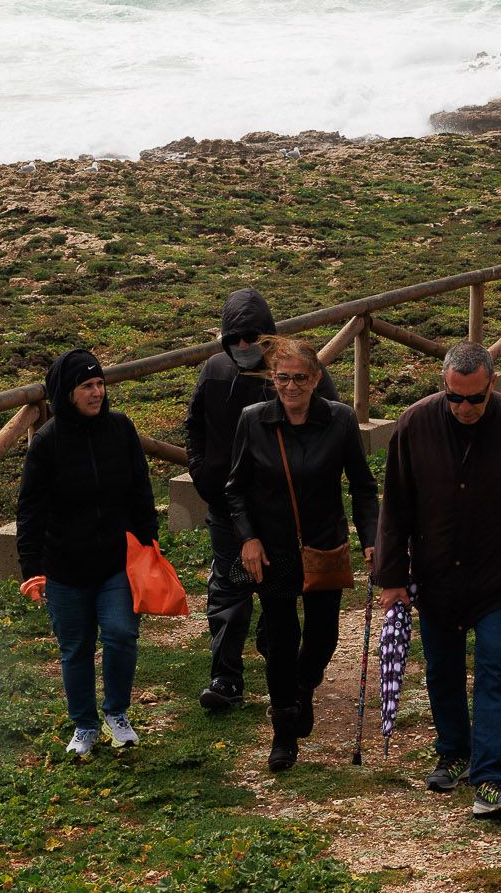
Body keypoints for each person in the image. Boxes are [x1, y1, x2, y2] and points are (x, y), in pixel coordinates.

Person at [373, 341, 501, 820]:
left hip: (497, 578)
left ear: (491, 385)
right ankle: (453, 751)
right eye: (454, 397)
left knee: (496, 668)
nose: (463, 408)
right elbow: (394, 507)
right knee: (441, 670)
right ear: (443, 385)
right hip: (436, 576)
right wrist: (392, 578)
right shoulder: (414, 424)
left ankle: (491, 779)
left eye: (474, 399)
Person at [224, 336, 379, 772]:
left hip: (324, 543)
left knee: (323, 636)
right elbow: (235, 490)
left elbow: (363, 487)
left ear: (316, 379)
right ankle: (284, 733)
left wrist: (371, 536)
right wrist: (248, 538)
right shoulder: (253, 421)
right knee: (281, 637)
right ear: (273, 380)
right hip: (271, 550)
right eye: (282, 378)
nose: (290, 387)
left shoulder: (341, 421)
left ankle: (304, 685)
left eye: (299, 379)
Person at [185, 288, 338, 712]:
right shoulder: (214, 371)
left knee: (281, 594)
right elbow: (193, 425)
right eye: (235, 339)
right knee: (229, 590)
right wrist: (202, 474)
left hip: (283, 511)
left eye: (253, 337)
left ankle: (284, 680)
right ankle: (226, 678)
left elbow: (334, 422)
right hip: (226, 506)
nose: (244, 346)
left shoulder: (299, 370)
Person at [16, 348, 158, 755]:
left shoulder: (120, 429)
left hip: (116, 562)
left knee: (121, 634)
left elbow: (139, 489)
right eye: (86, 386)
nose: (97, 392)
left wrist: (148, 541)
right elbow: (31, 510)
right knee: (75, 648)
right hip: (64, 568)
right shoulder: (47, 443)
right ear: (67, 392)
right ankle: (84, 725)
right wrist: (31, 567)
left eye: (100, 384)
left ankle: (116, 714)